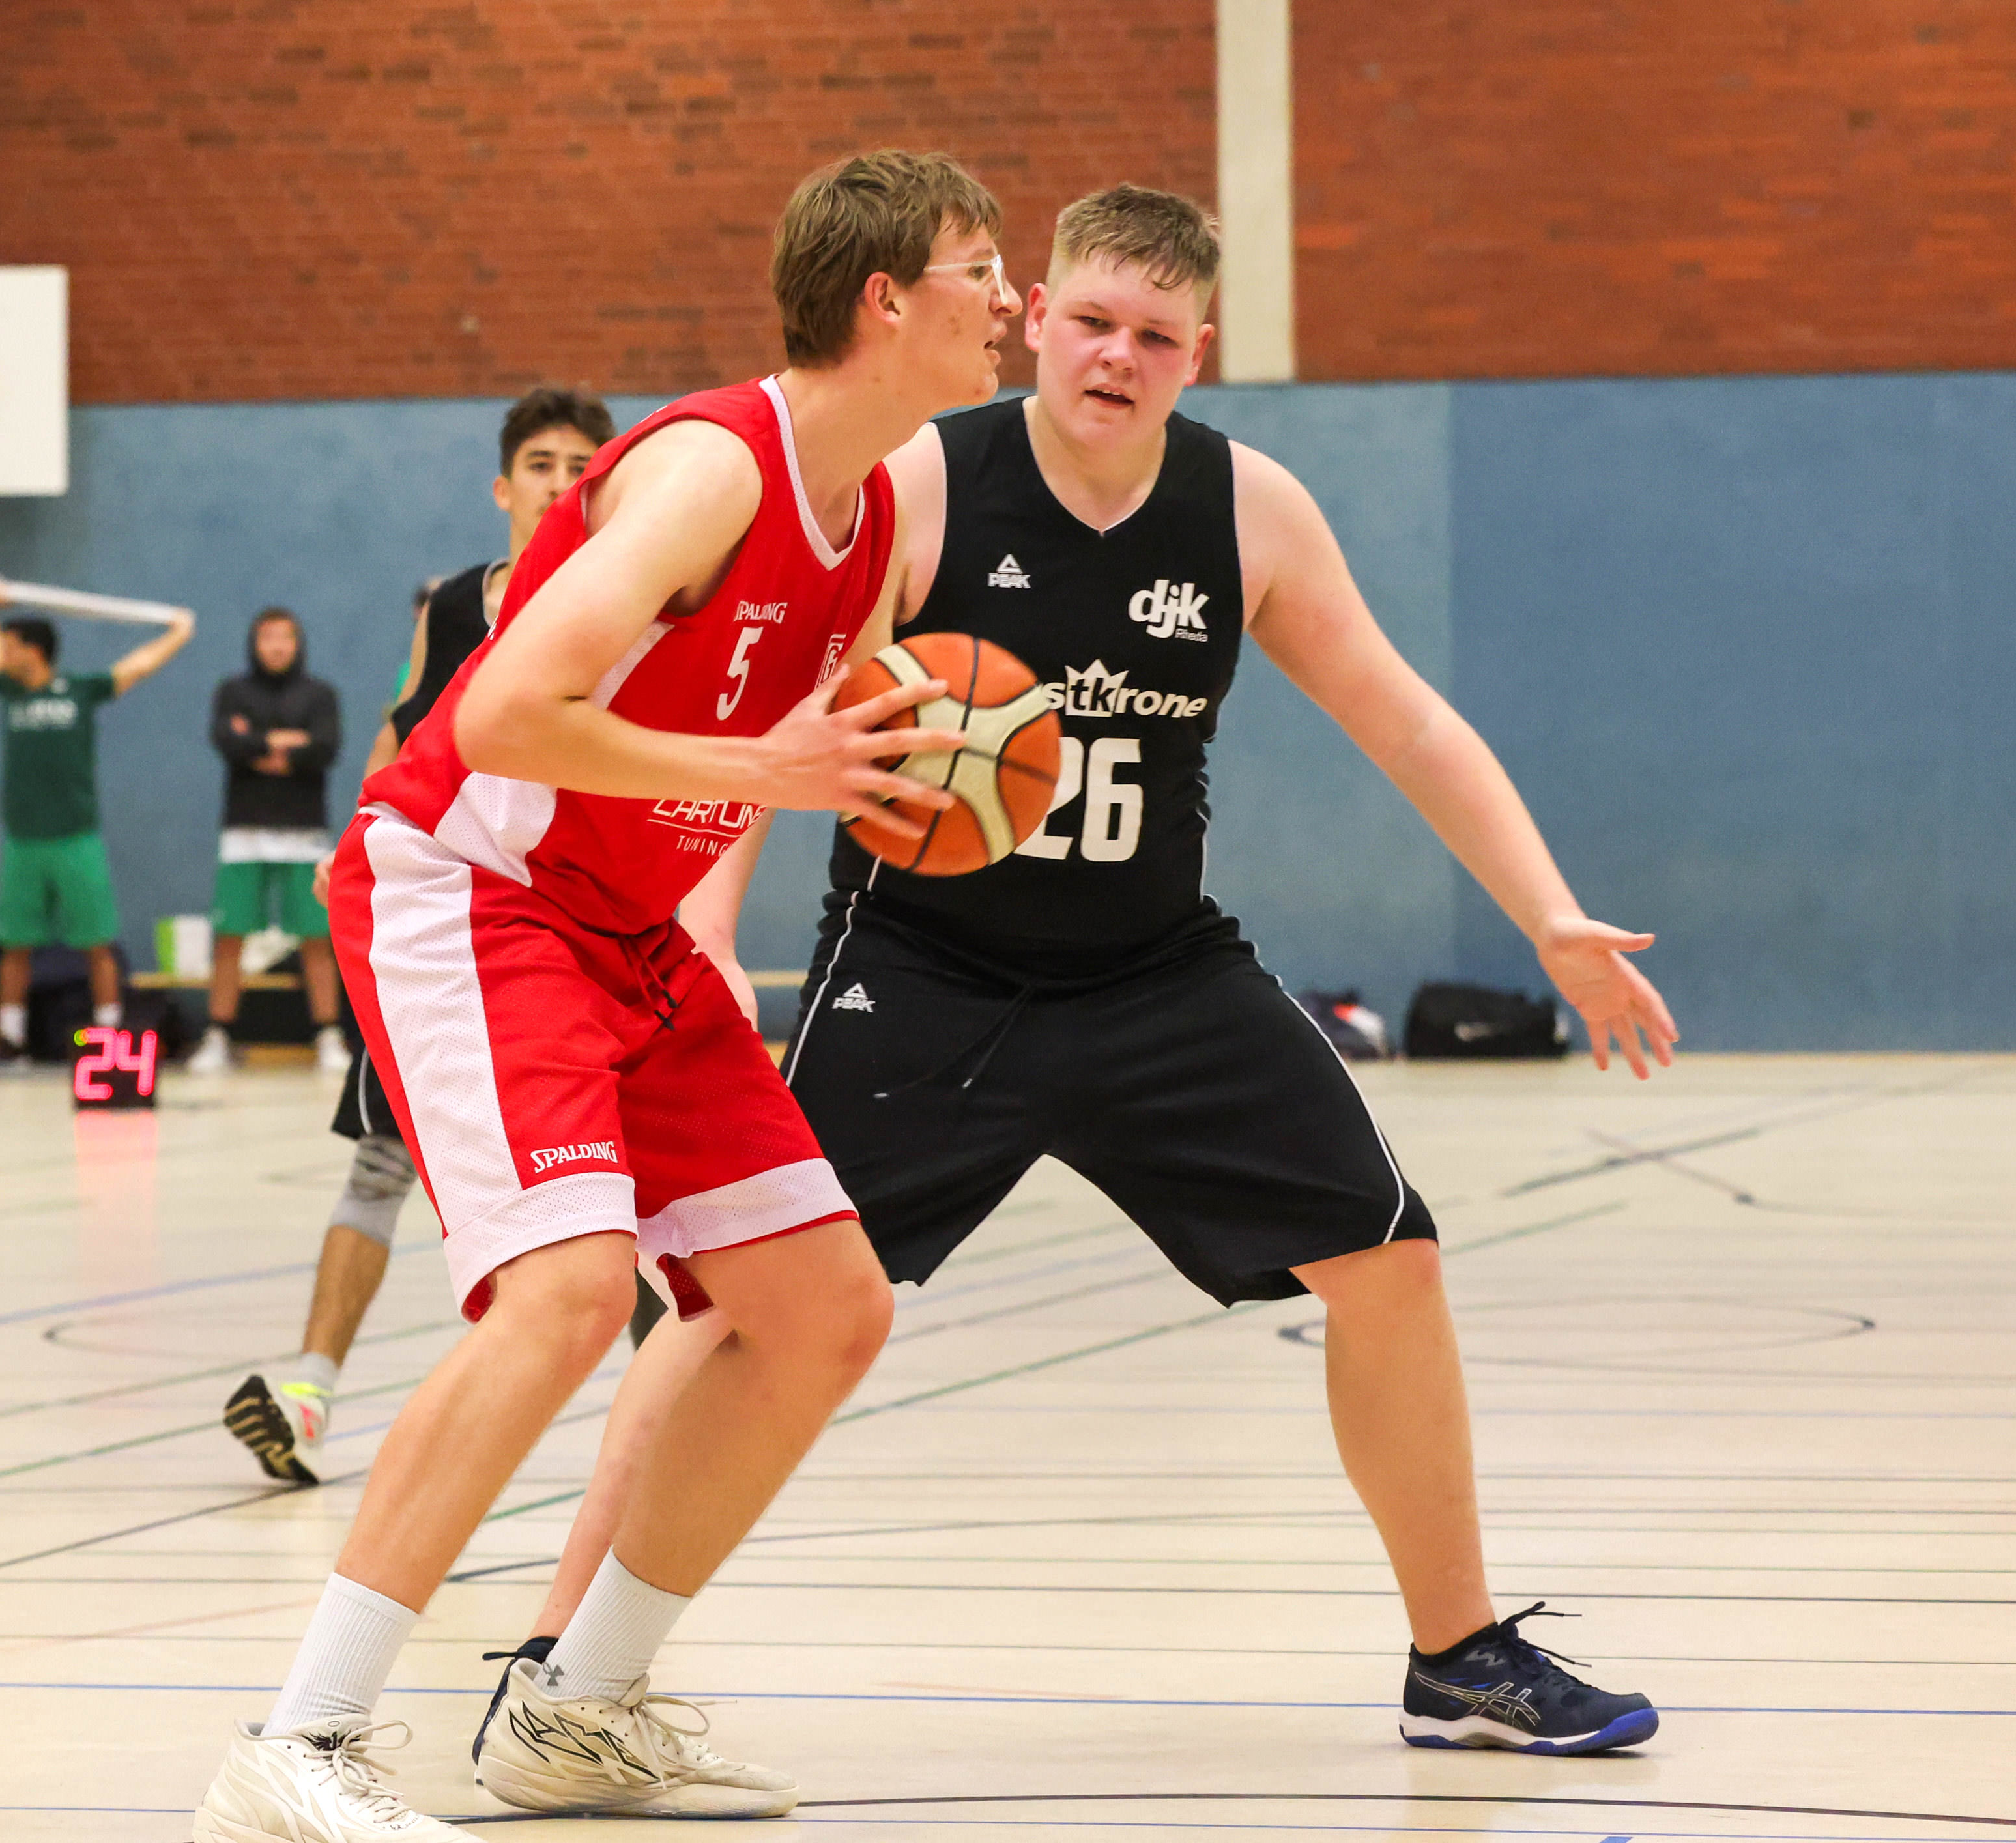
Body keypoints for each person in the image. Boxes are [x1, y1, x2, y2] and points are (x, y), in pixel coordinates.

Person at [488, 186, 1684, 1760]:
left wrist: (1546, 914)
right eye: (1092, 322)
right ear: (1037, 316)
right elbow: (777, 714)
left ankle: (1455, 1654)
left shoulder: (1248, 510)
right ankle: (556, 1659)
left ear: (1198, 352)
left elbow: (1402, 719)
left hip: (1152, 972)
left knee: (1388, 1258)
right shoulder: (921, 484)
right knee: (728, 1303)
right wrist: (706, 921)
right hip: (920, 970)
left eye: (1154, 337)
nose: (1116, 357)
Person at [190, 149, 1017, 1841]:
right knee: (566, 1293)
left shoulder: (871, 522)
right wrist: (767, 768)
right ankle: (300, 1739)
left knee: (826, 1306)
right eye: (982, 268)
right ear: (884, 299)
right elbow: (504, 714)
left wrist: (782, 848)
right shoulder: (713, 469)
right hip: (475, 887)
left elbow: (777, 755)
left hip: (629, 930)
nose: (1009, 299)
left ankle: (574, 1708)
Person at [223, 385, 619, 1487]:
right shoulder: (450, 605)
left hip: (582, 926)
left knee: (620, 1189)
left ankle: (654, 1419)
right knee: (380, 1159)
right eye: (539, 463)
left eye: (578, 465)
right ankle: (307, 1396)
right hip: (448, 928)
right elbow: (400, 736)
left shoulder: (625, 605)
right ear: (502, 486)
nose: (557, 482)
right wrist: (359, 840)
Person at [0, 587, 193, 1066]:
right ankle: (10, 1038)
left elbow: (137, 667)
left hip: (77, 839)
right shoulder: (10, 691)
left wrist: (178, 633)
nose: (3, 654)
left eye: (11, 645)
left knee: (97, 943)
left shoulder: (79, 690)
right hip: (23, 840)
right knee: (15, 945)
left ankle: (109, 1033)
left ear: (33, 650)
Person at [190, 607, 346, 1076]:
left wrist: (258, 741)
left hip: (304, 833)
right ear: (254, 643)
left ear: (298, 643)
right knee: (230, 937)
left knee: (317, 937)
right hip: (244, 832)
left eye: (285, 637)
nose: (277, 646)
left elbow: (325, 747)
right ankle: (218, 1034)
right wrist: (286, 743)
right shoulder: (233, 692)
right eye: (268, 638)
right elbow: (227, 742)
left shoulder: (320, 695)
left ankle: (328, 1034)